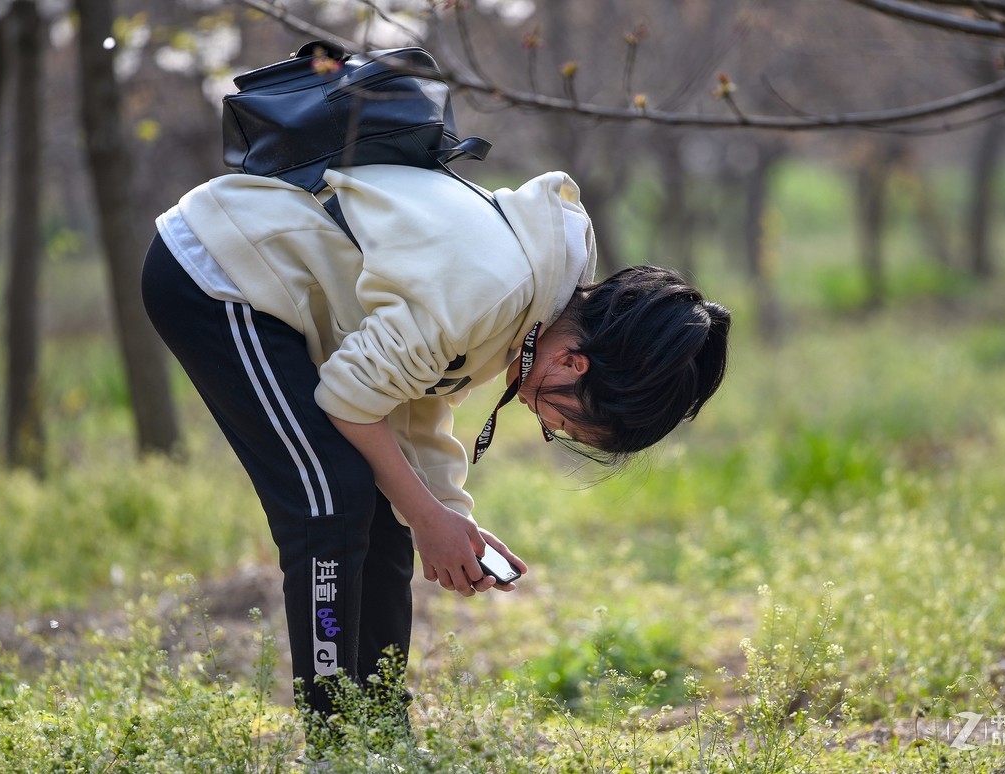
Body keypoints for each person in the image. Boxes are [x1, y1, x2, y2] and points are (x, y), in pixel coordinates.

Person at [140, 163, 730, 741]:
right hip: (220, 268)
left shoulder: (532, 307)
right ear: (573, 364)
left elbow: (411, 399)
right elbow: (348, 400)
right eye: (566, 424)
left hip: (273, 293)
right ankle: (334, 740)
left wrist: (446, 516)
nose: (548, 425)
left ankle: (381, 729)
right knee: (332, 500)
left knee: (384, 507)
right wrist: (428, 516)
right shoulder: (491, 291)